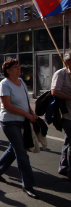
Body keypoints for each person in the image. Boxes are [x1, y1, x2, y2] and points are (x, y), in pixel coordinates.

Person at [0, 58, 39, 199]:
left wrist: (32, 113)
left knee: (15, 148)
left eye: (19, 66)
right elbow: (7, 106)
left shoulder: (22, 82)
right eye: (16, 67)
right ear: (8, 70)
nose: (19, 69)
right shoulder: (4, 84)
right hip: (9, 122)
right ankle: (28, 185)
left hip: (22, 120)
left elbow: (25, 101)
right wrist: (27, 115)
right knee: (21, 152)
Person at [51, 51, 71, 180]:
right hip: (66, 114)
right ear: (67, 62)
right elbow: (54, 91)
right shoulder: (61, 73)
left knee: (68, 141)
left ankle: (63, 167)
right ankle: (70, 170)